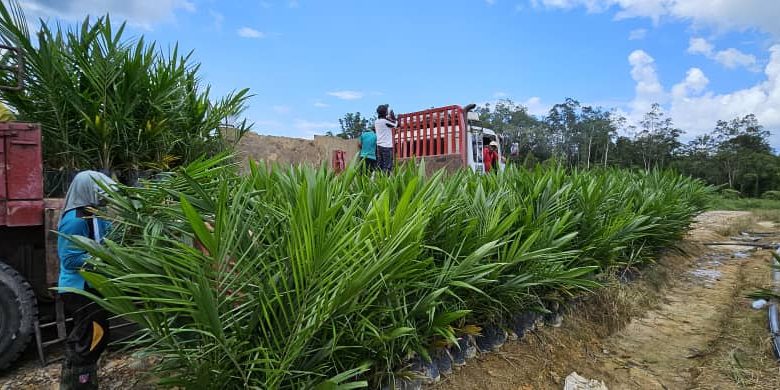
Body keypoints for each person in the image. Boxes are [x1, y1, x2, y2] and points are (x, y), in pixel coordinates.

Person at [58, 170, 115, 390]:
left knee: (92, 334)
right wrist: (104, 258)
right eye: (100, 192)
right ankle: (78, 382)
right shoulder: (75, 220)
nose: (104, 196)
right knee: (92, 335)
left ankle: (81, 379)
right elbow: (70, 259)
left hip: (92, 284)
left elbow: (108, 240)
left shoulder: (94, 215)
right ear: (87, 191)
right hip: (78, 288)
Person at [374, 104, 397, 173]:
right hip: (387, 146)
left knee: (380, 166)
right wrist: (393, 116)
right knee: (387, 166)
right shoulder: (385, 122)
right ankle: (386, 181)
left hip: (379, 146)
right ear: (386, 113)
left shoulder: (376, 122)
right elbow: (396, 125)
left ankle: (379, 180)